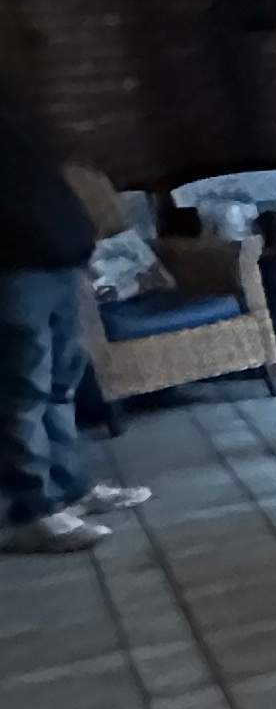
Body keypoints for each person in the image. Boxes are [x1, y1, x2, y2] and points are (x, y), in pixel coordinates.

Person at [0, 68, 150, 551]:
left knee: (62, 381)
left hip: (58, 257)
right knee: (23, 390)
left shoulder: (12, 102)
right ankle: (34, 511)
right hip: (15, 269)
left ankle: (71, 489)